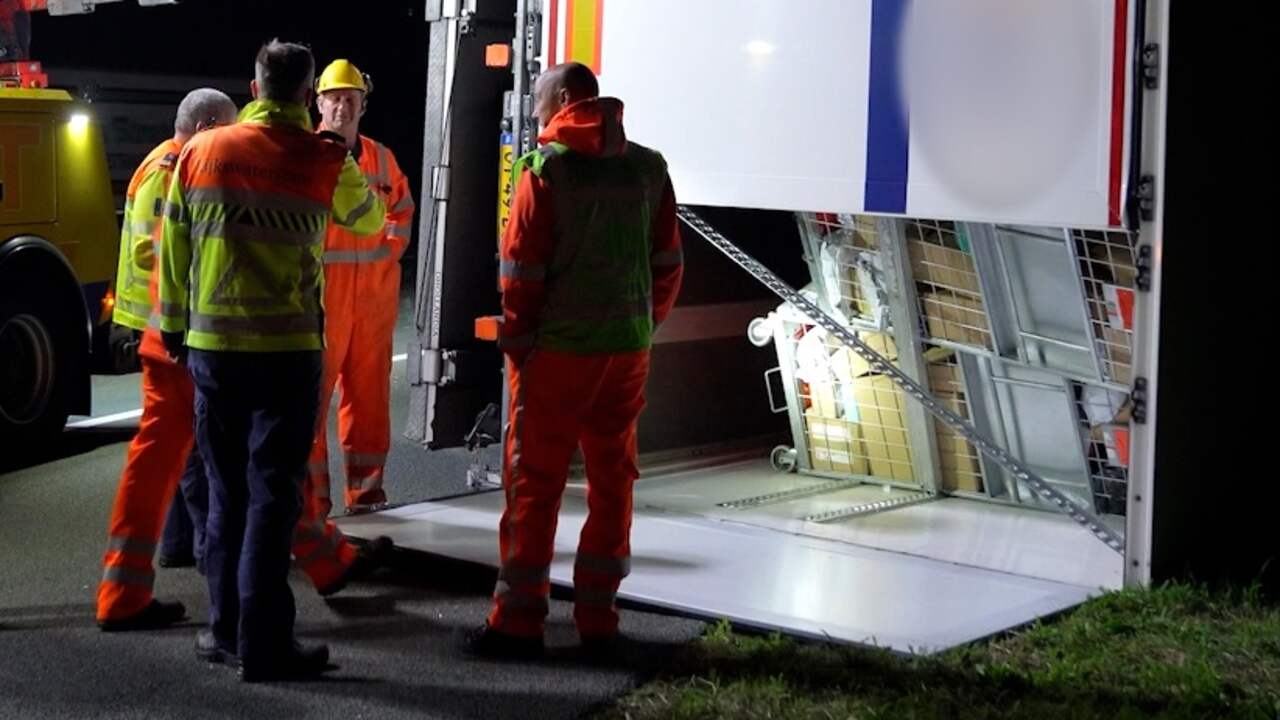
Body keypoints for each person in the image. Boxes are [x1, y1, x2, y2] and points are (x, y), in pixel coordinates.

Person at [157, 40, 385, 681]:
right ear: (308, 96)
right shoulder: (322, 158)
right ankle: (264, 644)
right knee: (270, 500)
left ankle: (221, 631)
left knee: (225, 497)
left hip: (213, 352)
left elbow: (175, 246)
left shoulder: (203, 151)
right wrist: (341, 154)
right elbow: (367, 222)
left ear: (253, 88)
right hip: (286, 356)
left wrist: (176, 326)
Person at [470, 62, 684, 658]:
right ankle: (599, 620)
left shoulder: (544, 170)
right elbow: (668, 266)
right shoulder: (648, 167)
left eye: (539, 107)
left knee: (534, 485)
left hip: (558, 355)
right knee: (613, 480)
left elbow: (519, 277)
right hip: (626, 351)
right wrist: (641, 326)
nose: (537, 120)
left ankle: (517, 623)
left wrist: (518, 345)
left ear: (564, 98)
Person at [96, 88, 238, 632]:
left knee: (169, 452)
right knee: (206, 450)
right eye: (223, 130)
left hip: (161, 326)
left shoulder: (165, 160)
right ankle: (204, 555)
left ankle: (153, 566)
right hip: (171, 328)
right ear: (205, 127)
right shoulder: (170, 168)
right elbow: (153, 248)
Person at [303, 58, 415, 518]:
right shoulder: (302, 154)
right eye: (335, 98)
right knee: (308, 410)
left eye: (351, 99)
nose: (342, 107)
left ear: (363, 105)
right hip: (320, 307)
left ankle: (366, 496)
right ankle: (312, 505)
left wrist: (385, 253)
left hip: (371, 307)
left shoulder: (382, 158)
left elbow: (402, 211)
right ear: (319, 102)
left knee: (368, 407)